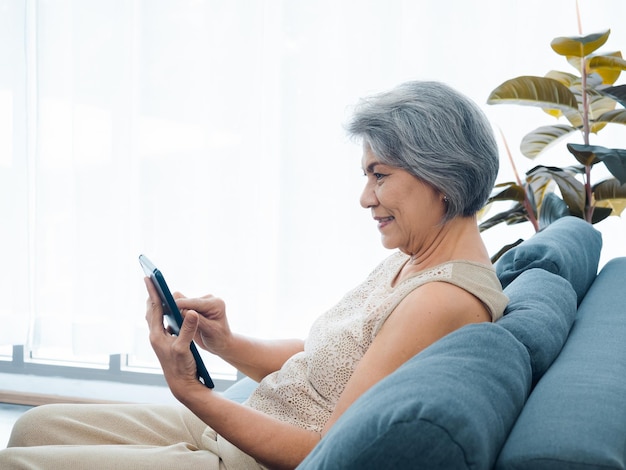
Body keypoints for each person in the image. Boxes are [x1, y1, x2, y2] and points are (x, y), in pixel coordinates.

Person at [0, 80, 508, 469]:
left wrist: (191, 391)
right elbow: (326, 363)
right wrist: (223, 342)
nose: (365, 197)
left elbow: (323, 449)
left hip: (242, 459)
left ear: (441, 174)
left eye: (380, 175)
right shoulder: (416, 257)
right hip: (250, 421)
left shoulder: (440, 299)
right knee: (34, 427)